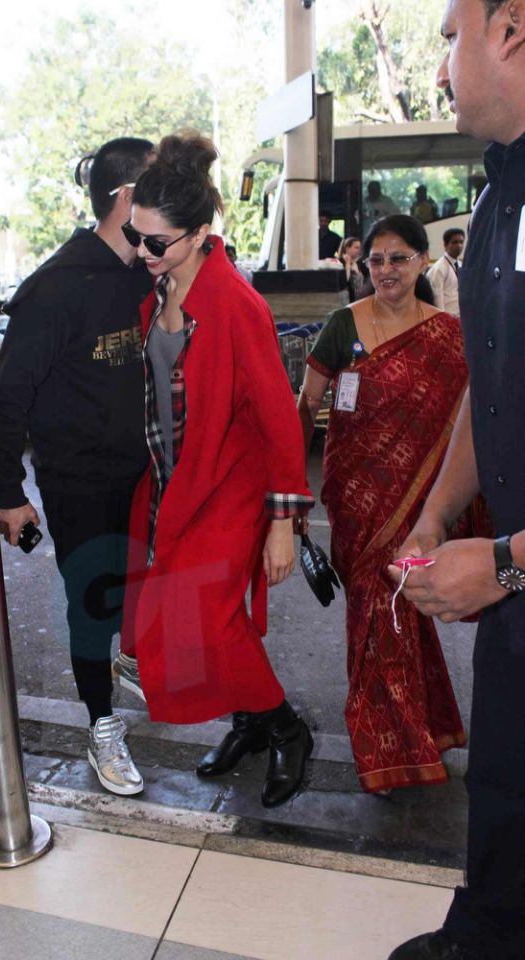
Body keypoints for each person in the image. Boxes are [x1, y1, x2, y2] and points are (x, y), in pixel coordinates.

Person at [117, 132, 315, 808]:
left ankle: (287, 727)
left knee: (209, 617)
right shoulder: (161, 283)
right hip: (173, 483)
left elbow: (280, 416)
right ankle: (251, 723)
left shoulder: (235, 304)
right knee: (184, 614)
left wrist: (283, 523)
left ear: (201, 233)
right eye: (135, 237)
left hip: (229, 486)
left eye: (155, 242)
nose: (140, 253)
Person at [388, 1, 525, 958]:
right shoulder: (495, 197)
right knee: (507, 792)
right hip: (515, 598)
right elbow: (491, 375)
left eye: (448, 34)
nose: (440, 67)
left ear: (512, 27)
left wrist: (510, 564)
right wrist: (440, 509)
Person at [0, 136, 156, 797]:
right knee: (91, 600)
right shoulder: (54, 289)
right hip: (74, 478)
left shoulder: (147, 274)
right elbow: (8, 401)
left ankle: (120, 658)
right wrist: (10, 493)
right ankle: (101, 722)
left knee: (128, 589)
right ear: (125, 199)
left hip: (138, 473)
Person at [297, 214, 478, 794]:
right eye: (374, 260)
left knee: (397, 612)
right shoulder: (341, 325)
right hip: (354, 498)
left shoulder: (449, 334)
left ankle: (400, 740)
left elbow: (468, 425)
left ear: (422, 262)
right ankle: (415, 733)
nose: (385, 270)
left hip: (418, 507)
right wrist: (287, 487)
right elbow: (306, 406)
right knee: (378, 614)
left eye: (398, 258)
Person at [427, 227, 465, 316]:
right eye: (455, 242)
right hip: (448, 316)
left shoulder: (460, 265)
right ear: (445, 245)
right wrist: (443, 319)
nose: (459, 245)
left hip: (461, 316)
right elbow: (437, 297)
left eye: (461, 242)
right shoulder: (439, 268)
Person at [337, 236, 364, 302]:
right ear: (347, 248)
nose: (359, 250)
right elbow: (345, 279)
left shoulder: (357, 263)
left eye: (359, 248)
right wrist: (347, 264)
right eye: (356, 248)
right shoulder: (340, 262)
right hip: (346, 299)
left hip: (356, 299)